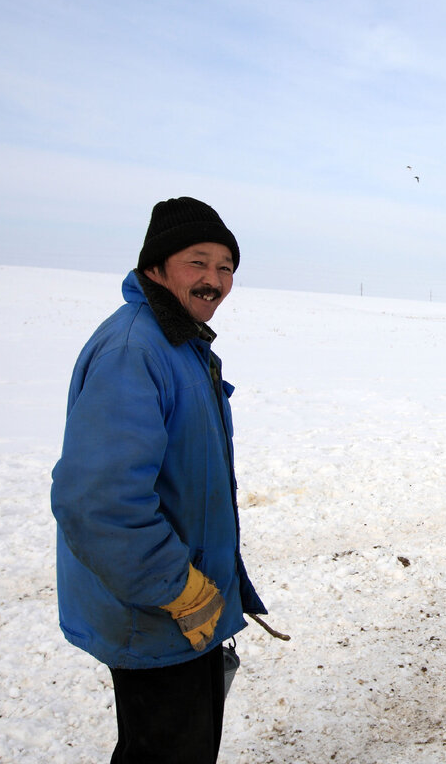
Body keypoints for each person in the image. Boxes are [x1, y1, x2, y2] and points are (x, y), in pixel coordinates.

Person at [51, 196, 267, 763]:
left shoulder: (179, 342)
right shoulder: (135, 350)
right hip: (159, 610)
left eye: (225, 268)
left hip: (176, 609)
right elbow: (98, 502)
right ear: (156, 267)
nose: (214, 280)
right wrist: (180, 590)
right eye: (198, 263)